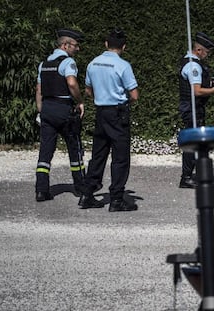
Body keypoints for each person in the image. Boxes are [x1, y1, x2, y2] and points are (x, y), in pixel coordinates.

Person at [78, 28, 139, 212]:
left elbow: (88, 90)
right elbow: (134, 94)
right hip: (118, 114)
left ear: (106, 44)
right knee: (120, 158)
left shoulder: (93, 63)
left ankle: (87, 194)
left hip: (101, 112)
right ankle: (116, 199)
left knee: (98, 154)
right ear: (124, 46)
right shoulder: (123, 66)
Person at [35, 28, 85, 202]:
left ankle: (41, 190)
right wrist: (79, 101)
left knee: (45, 152)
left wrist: (41, 111)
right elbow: (71, 83)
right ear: (65, 45)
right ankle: (80, 187)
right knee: (75, 149)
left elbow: (39, 90)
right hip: (63, 108)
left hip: (47, 108)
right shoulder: (67, 63)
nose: (77, 49)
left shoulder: (43, 64)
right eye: (75, 46)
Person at [178, 32, 214, 189]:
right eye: (207, 52)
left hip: (194, 108)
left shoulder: (192, 62)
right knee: (192, 142)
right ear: (199, 50)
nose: (208, 55)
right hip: (192, 108)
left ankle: (201, 175)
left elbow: (201, 83)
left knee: (199, 142)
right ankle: (186, 178)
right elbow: (197, 91)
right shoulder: (193, 66)